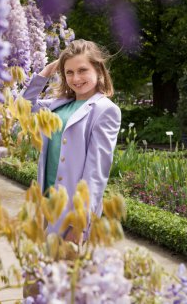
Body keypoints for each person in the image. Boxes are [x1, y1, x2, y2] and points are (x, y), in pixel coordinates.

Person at [23, 39, 121, 242]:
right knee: (43, 270)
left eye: (83, 70)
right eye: (69, 72)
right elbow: (22, 106)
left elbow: (96, 172)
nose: (76, 78)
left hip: (70, 213)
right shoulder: (57, 106)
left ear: (99, 71)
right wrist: (46, 71)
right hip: (46, 205)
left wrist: (80, 221)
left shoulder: (105, 110)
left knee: (65, 271)